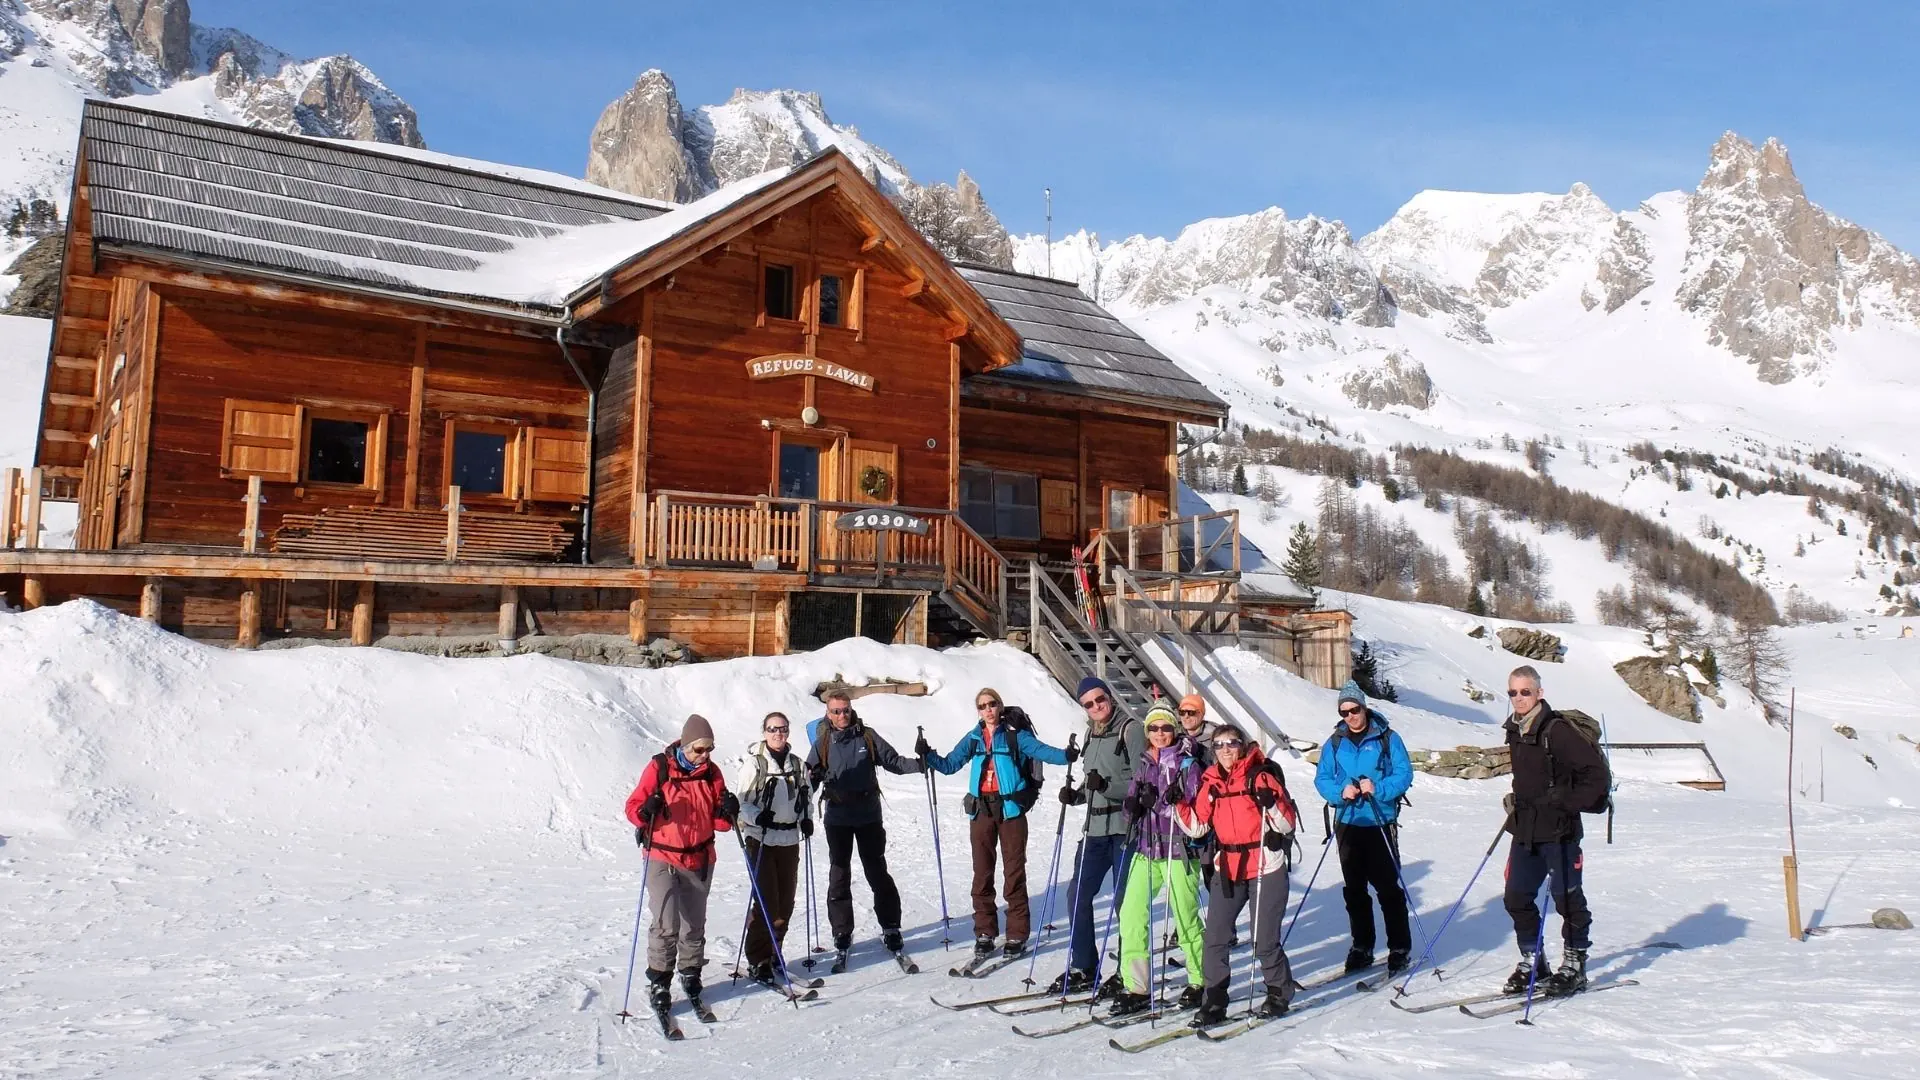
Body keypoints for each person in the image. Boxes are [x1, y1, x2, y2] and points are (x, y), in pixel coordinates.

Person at [918, 687, 1074, 958]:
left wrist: (1066, 755)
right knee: (982, 873)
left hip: (1011, 810)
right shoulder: (974, 738)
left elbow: (1043, 751)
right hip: (980, 812)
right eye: (982, 706)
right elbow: (950, 764)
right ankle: (985, 932)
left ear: (1000, 707)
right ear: (978, 711)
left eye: (992, 704)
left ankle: (1016, 934)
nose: (988, 710)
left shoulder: (1016, 736)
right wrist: (927, 754)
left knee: (1014, 872)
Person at [1175, 722, 1300, 1024]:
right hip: (1228, 866)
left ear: (1241, 746)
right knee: (1215, 937)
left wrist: (1271, 804)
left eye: (1231, 743)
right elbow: (1198, 827)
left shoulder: (1261, 776)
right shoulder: (1211, 782)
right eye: (1219, 745)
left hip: (1264, 865)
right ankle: (1214, 1001)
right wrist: (1177, 804)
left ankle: (1278, 993)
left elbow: (1287, 823)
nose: (1225, 749)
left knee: (1263, 939)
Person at [1501, 665, 1608, 996]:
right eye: (1513, 693)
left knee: (1566, 898)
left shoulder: (1557, 730)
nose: (1519, 698)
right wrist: (1516, 800)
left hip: (1560, 830)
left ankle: (1574, 964)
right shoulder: (1515, 729)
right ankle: (1534, 960)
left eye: (1525, 692)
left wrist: (1563, 799)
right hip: (1526, 829)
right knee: (1516, 897)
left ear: (1539, 693)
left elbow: (1596, 777)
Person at [624, 715, 739, 1016]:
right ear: (685, 746)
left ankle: (691, 973)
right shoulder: (659, 768)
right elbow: (633, 808)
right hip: (662, 855)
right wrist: (647, 810)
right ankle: (660, 981)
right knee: (666, 923)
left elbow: (719, 821)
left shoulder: (711, 774)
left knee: (693, 923)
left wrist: (729, 811)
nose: (705, 756)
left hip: (699, 856)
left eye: (709, 749)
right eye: (699, 750)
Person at [806, 690, 924, 960]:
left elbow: (893, 761)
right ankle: (842, 931)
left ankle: (891, 926)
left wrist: (920, 763)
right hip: (837, 818)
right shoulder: (822, 743)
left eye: (845, 710)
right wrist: (809, 787)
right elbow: (808, 782)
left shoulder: (867, 736)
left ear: (851, 710)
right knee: (839, 875)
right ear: (828, 713)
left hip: (869, 814)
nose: (842, 715)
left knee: (877, 871)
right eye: (836, 711)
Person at [1051, 676, 1146, 996]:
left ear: (1109, 696)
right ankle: (1084, 965)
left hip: (1125, 830)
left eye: (1099, 699)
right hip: (1094, 831)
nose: (1096, 707)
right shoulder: (1092, 734)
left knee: (1125, 903)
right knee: (1077, 895)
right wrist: (1077, 795)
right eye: (1088, 704)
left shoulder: (1130, 730)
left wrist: (1107, 788)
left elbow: (1141, 784)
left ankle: (1126, 970)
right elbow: (1093, 779)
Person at [1110, 705, 1207, 1016]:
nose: (1160, 734)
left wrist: (1162, 806)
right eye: (1154, 729)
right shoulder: (1145, 762)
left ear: (1174, 730)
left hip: (1178, 849)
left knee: (1185, 916)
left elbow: (1193, 805)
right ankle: (1137, 984)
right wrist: (1132, 807)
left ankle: (1201, 980)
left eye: (1165, 728)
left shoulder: (1187, 763)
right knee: (1130, 912)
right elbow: (1133, 801)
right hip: (1147, 848)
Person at [1313, 680, 1414, 975]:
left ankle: (1399, 946)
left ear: (1364, 707)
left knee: (1387, 888)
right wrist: (1340, 791)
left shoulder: (1388, 738)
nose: (1350, 716)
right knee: (1354, 890)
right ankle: (1362, 946)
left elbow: (1404, 774)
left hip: (1379, 820)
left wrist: (1378, 787)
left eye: (1354, 709)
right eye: (1344, 712)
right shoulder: (1334, 742)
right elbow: (1322, 779)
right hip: (1348, 822)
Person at [732, 711, 812, 984]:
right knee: (767, 902)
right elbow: (741, 802)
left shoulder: (798, 765)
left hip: (789, 839)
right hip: (761, 838)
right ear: (764, 731)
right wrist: (757, 816)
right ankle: (758, 959)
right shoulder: (755, 765)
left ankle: (775, 950)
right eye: (773, 729)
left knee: (786, 903)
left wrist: (808, 819)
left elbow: (807, 797)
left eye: (783, 729)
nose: (779, 734)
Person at [1174, 693, 1221, 887]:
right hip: (1186, 810)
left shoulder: (1215, 737)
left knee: (1212, 870)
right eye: (1182, 712)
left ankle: (1222, 914)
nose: (1186, 717)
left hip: (1211, 810)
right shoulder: (1175, 737)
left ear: (1201, 714)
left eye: (1191, 712)